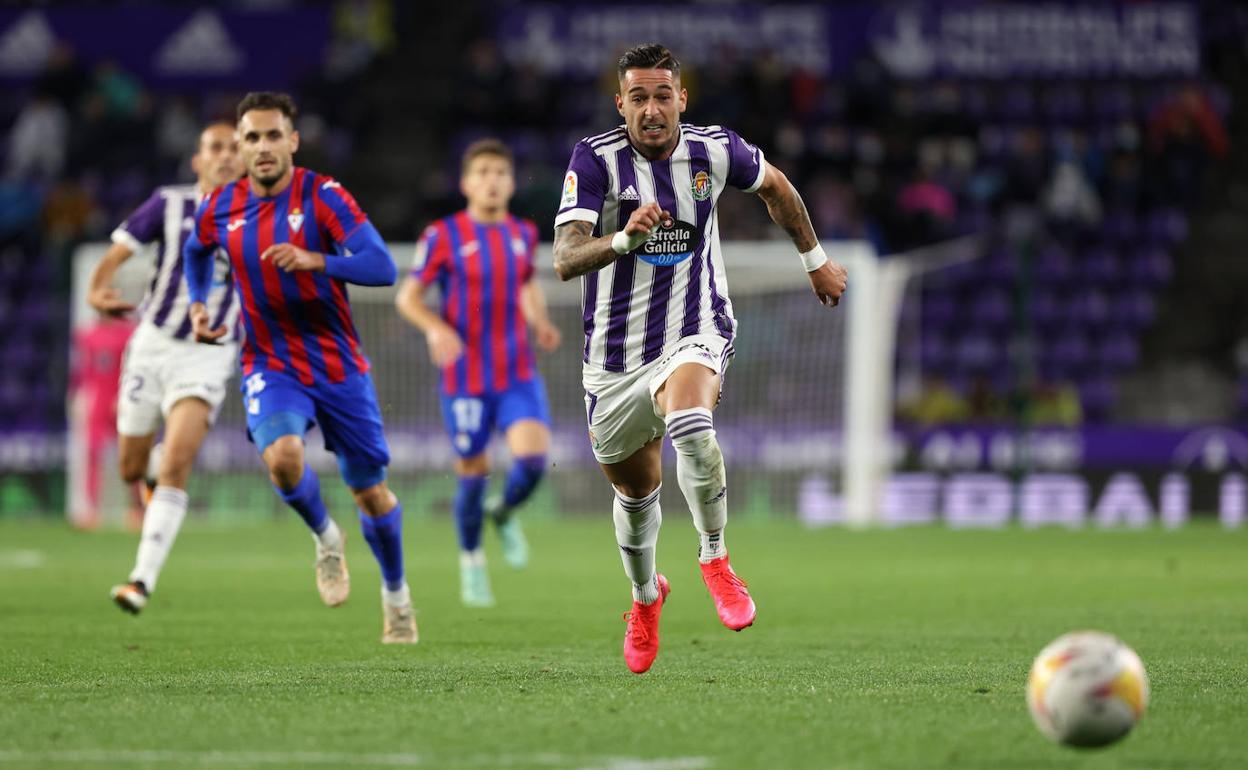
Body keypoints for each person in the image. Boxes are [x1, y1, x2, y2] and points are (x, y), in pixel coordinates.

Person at [551, 44, 847, 673]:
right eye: (639, 97)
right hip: (612, 359)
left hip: (695, 328)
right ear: (620, 103)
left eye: (663, 96)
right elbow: (564, 257)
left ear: (682, 98)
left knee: (690, 421)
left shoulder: (715, 150)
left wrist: (815, 260)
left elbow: (777, 189)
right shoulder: (595, 159)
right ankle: (644, 596)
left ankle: (714, 556)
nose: (652, 109)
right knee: (635, 495)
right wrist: (625, 237)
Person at [183, 92, 416, 644]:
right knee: (284, 458)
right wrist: (197, 303)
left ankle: (396, 596)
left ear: (292, 141)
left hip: (338, 365)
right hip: (270, 361)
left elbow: (383, 267)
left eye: (272, 136)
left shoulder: (323, 195)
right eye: (251, 138)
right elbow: (197, 251)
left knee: (371, 494)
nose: (262, 147)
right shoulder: (220, 206)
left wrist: (320, 260)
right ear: (239, 146)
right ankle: (326, 538)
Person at [395, 139, 561, 607]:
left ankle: (504, 513)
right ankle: (472, 564)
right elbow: (408, 298)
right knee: (473, 470)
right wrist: (434, 329)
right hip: (465, 376)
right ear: (467, 182)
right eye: (482, 172)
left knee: (532, 461)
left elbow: (527, 281)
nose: (492, 180)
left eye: (500, 173)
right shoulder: (442, 235)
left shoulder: (523, 233)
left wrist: (540, 321)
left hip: (516, 373)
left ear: (510, 183)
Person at [94, 121, 242, 613]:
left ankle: (140, 581)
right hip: (153, 345)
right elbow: (118, 252)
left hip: (209, 353)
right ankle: (152, 476)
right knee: (131, 467)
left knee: (177, 462)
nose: (225, 156)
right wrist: (98, 287)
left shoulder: (259, 217)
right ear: (198, 161)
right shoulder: (169, 203)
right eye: (215, 148)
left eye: (234, 149)